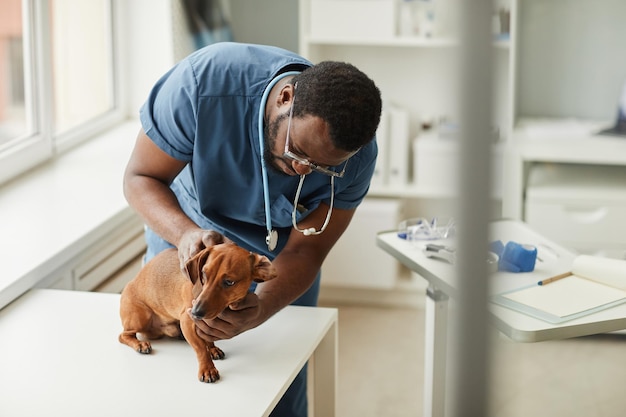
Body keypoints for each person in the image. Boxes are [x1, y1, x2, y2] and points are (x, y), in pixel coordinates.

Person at [123, 42, 382, 417]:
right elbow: (139, 177)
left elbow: (307, 251)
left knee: (277, 390)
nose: (303, 171)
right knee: (176, 385)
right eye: (297, 152)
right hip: (187, 241)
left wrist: (261, 308)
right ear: (285, 97)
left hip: (281, 261)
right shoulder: (202, 85)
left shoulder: (357, 159)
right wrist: (184, 234)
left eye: (321, 168)